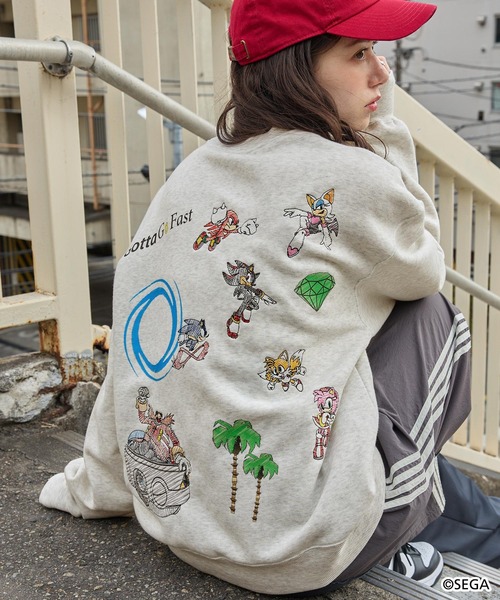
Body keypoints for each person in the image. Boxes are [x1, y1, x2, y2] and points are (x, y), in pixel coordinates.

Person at [39, 0, 474, 596]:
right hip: (305, 554)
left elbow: (134, 358)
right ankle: (400, 531)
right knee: (434, 314)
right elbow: (423, 268)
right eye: (358, 54)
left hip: (180, 526)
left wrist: (97, 486)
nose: (382, 73)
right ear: (296, 68)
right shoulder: (356, 175)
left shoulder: (188, 177)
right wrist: (381, 136)